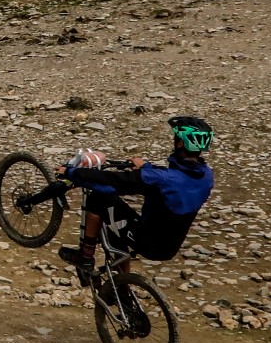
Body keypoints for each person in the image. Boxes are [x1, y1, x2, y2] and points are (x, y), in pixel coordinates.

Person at [22, 116, 215, 286]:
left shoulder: (162, 179)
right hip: (170, 246)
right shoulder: (206, 176)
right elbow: (170, 180)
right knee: (116, 224)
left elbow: (113, 183)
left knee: (100, 196)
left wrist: (72, 172)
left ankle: (86, 256)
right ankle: (121, 287)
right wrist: (145, 168)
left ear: (180, 144)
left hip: (148, 242)